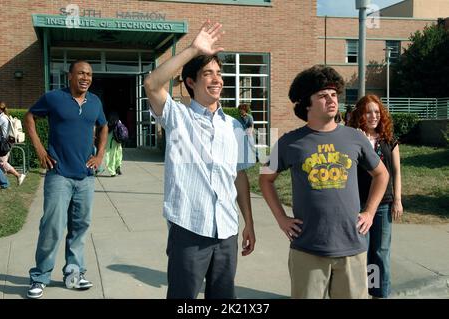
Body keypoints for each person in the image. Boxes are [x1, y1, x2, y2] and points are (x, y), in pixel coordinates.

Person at [144, 20, 256, 299]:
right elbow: (152, 83)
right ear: (191, 82)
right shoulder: (178, 117)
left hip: (227, 231)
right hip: (190, 229)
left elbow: (239, 177)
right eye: (208, 73)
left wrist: (249, 223)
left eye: (219, 73)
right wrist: (193, 50)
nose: (217, 79)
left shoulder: (235, 126)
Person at [259, 65, 389, 299]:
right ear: (306, 104)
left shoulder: (355, 137)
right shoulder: (290, 142)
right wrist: (281, 218)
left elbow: (382, 174)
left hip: (352, 247)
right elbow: (265, 179)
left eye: (333, 95)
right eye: (322, 96)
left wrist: (369, 212)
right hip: (308, 248)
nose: (331, 100)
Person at [24, 60, 108, 299]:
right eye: (81, 73)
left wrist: (100, 155)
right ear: (69, 75)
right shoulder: (53, 98)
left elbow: (103, 127)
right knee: (52, 227)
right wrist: (40, 150)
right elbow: (30, 117)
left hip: (86, 177)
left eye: (89, 74)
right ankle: (40, 276)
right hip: (59, 174)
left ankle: (74, 273)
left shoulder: (95, 102)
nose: (86, 77)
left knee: (80, 228)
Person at [348, 94, 403, 298]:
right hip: (358, 204)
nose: (373, 116)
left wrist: (397, 199)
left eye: (377, 112)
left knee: (380, 253)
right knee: (361, 253)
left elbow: (396, 171)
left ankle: (378, 293)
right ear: (361, 114)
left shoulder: (389, 139)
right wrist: (359, 140)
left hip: (383, 204)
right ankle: (361, 292)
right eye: (368, 112)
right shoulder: (352, 138)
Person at [0, 101, 26, 186]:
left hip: (4, 144)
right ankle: (4, 182)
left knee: (3, 163)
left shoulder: (1, 118)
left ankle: (18, 176)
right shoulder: (5, 117)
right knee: (2, 164)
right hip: (7, 143)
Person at [104, 111, 123, 176]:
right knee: (118, 154)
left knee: (110, 156)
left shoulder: (108, 123)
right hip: (118, 142)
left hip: (110, 143)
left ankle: (112, 171)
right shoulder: (119, 122)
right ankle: (118, 166)